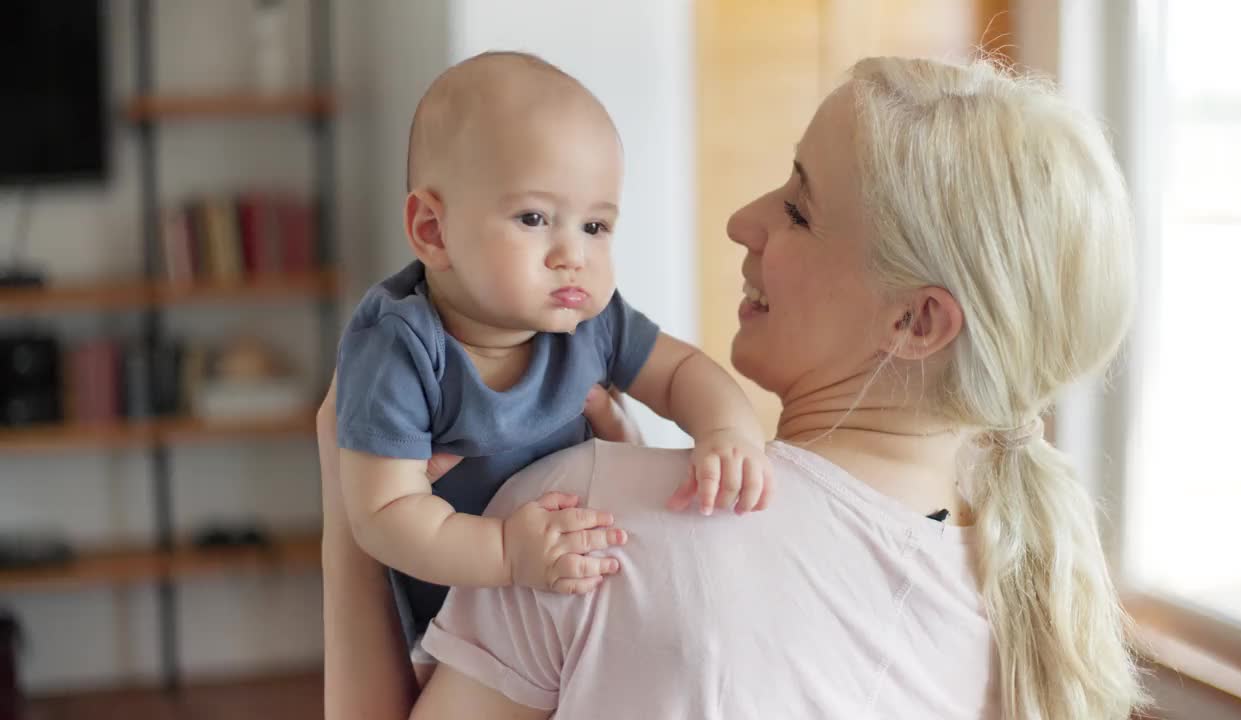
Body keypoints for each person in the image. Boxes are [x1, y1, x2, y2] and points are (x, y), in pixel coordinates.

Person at [321, 56, 1148, 719]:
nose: (742, 219)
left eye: (798, 209)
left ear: (915, 323)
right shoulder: (1030, 601)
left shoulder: (578, 531)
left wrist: (346, 512)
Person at [334, 51, 772, 673]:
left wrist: (728, 432)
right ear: (432, 230)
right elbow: (385, 514)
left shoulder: (589, 324)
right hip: (460, 638)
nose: (573, 254)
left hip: (581, 599)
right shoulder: (402, 346)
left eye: (596, 226)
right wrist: (507, 552)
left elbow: (680, 373)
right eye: (535, 218)